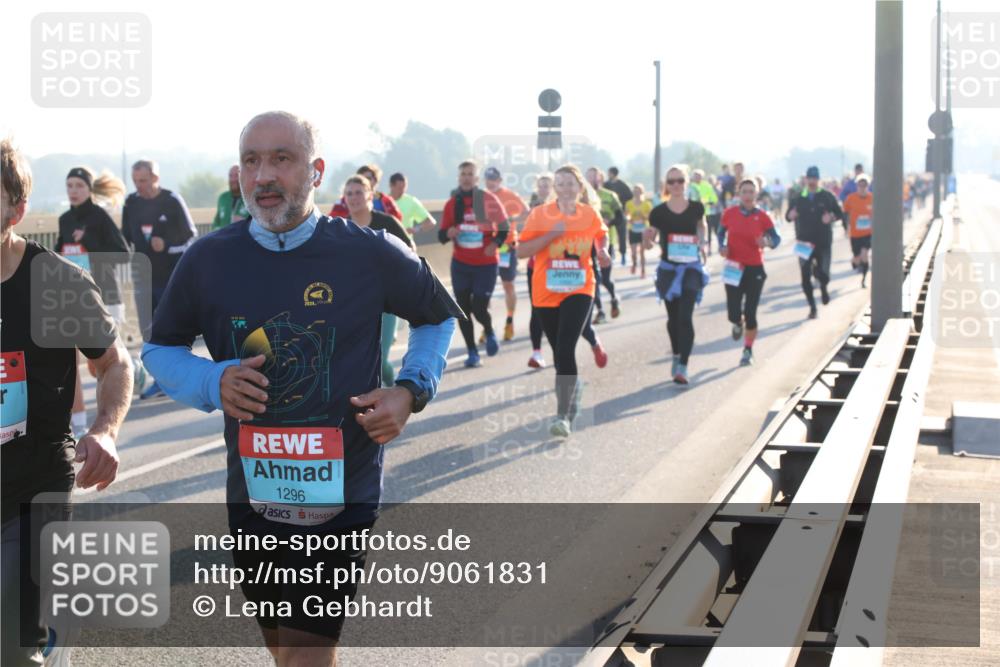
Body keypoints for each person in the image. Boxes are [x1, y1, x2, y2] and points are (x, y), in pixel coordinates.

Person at [141, 111, 460, 665]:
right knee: (284, 651)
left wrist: (410, 390)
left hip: (342, 496)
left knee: (306, 655)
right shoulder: (207, 259)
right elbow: (159, 350)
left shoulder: (369, 250)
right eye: (251, 161)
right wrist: (211, 380)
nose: (263, 175)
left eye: (281, 159)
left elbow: (437, 316)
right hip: (253, 495)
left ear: (314, 171)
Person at [2, 137, 132, 667]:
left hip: (34, 485)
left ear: (18, 209)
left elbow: (114, 364)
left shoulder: (54, 282)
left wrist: (104, 429)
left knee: (10, 644)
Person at [518, 165, 611, 437]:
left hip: (580, 288)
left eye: (570, 183)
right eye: (560, 183)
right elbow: (522, 251)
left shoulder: (589, 214)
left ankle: (563, 416)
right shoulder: (539, 215)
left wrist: (603, 251)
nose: (565, 187)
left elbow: (601, 235)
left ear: (580, 187)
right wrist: (550, 236)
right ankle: (573, 390)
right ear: (554, 188)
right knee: (560, 354)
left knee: (565, 345)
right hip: (546, 292)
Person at [57, 167, 130, 436]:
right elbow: (59, 253)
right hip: (73, 300)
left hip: (105, 297)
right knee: (69, 359)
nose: (73, 190)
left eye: (78, 185)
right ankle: (78, 425)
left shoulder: (99, 217)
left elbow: (122, 253)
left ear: (89, 189)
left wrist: (87, 240)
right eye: (69, 185)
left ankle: (133, 377)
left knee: (100, 364)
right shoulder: (64, 220)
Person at [121, 159, 197, 399]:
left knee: (169, 331)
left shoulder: (171, 200)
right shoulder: (131, 203)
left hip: (170, 278)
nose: (138, 186)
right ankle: (159, 380)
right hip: (143, 277)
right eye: (135, 181)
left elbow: (191, 238)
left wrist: (167, 245)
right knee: (149, 333)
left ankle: (175, 379)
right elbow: (125, 239)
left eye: (143, 180)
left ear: (155, 178)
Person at [342, 175, 416, 386]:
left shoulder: (386, 223)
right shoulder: (340, 228)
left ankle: (392, 391)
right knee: (357, 362)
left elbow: (409, 252)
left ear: (370, 195)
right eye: (349, 193)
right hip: (353, 303)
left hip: (385, 302)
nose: (354, 197)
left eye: (359, 192)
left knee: (380, 361)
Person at [438, 160, 509, 367]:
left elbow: (504, 227)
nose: (467, 177)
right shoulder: (453, 203)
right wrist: (449, 232)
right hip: (461, 264)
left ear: (476, 178)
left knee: (478, 307)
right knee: (462, 309)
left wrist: (495, 243)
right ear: (459, 178)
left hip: (485, 264)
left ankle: (489, 331)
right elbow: (442, 234)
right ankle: (472, 352)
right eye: (463, 174)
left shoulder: (487, 199)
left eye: (470, 174)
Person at [643, 165, 710, 385]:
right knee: (673, 320)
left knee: (685, 317)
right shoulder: (659, 212)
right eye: (671, 181)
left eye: (680, 180)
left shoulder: (696, 208)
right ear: (666, 185)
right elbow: (650, 240)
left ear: (686, 182)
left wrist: (702, 241)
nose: (676, 185)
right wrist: (647, 238)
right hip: (668, 270)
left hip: (691, 268)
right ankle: (676, 354)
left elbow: (702, 227)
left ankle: (683, 366)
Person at [719, 178, 782, 367]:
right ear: (739, 194)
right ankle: (737, 322)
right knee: (733, 312)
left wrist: (767, 242)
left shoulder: (763, 216)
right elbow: (721, 233)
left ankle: (747, 350)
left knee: (751, 312)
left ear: (756, 194)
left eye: (751, 192)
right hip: (733, 267)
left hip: (754, 267)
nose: (748, 195)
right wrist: (722, 246)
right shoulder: (729, 214)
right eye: (744, 191)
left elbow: (776, 239)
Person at [786, 166, 844, 319]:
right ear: (806, 179)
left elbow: (839, 213)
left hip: (823, 242)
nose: (812, 181)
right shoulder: (798, 197)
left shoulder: (827, 196)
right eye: (809, 178)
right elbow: (788, 215)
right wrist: (790, 215)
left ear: (818, 179)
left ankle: (823, 287)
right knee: (805, 277)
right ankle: (812, 307)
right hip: (804, 243)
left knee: (823, 274)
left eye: (814, 178)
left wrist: (830, 217)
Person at [484, 167, 528, 342]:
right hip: (488, 247)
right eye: (488, 179)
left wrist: (512, 220)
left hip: (508, 247)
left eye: (494, 179)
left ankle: (509, 321)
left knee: (508, 285)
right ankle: (488, 326)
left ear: (500, 180)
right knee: (484, 289)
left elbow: (527, 212)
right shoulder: (481, 196)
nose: (491, 182)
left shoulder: (510, 195)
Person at [585, 167, 622, 323]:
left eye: (594, 177)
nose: (591, 180)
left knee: (605, 279)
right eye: (588, 177)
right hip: (586, 244)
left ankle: (613, 298)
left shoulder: (609, 196)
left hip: (606, 242)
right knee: (594, 279)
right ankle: (600, 311)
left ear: (600, 178)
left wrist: (609, 222)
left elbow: (620, 218)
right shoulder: (582, 197)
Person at [329, 164, 402, 221]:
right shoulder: (343, 201)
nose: (364, 181)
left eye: (368, 178)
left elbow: (397, 220)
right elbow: (333, 221)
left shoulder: (387, 201)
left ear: (376, 181)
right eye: (361, 178)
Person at [842, 173, 874, 287]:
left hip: (868, 233)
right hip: (855, 234)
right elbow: (844, 214)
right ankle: (854, 261)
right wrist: (846, 228)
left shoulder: (872, 198)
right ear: (857, 186)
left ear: (868, 186)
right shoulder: (851, 198)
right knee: (857, 258)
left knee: (865, 255)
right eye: (860, 185)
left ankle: (864, 280)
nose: (862, 187)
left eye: (864, 185)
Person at [605, 167, 632, 265]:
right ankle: (610, 253)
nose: (608, 175)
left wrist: (622, 203)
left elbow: (630, 196)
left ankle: (623, 255)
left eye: (609, 173)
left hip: (620, 213)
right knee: (607, 235)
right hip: (608, 215)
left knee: (622, 235)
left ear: (612, 173)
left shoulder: (622, 185)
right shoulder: (606, 184)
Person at [212, 165, 250, 230]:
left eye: (236, 175)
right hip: (223, 239)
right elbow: (215, 223)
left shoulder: (251, 198)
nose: (233, 179)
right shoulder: (223, 198)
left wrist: (246, 223)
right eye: (230, 176)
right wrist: (219, 232)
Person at [691, 170, 720, 255]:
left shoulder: (707, 186)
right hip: (692, 214)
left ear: (702, 176)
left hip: (706, 213)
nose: (697, 177)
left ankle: (708, 249)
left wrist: (705, 201)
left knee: (708, 233)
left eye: (699, 175)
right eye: (695, 175)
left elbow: (714, 199)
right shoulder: (690, 186)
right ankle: (694, 249)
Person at [625, 184, 652, 278]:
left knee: (642, 252)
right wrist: (629, 219)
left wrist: (644, 217)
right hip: (633, 229)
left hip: (643, 229)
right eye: (635, 190)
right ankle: (634, 263)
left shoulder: (647, 204)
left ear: (642, 192)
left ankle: (643, 270)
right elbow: (627, 214)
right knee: (633, 252)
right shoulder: (629, 203)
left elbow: (650, 217)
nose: (636, 192)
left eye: (638, 190)